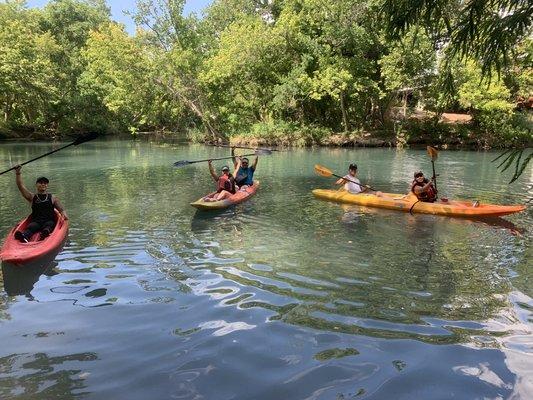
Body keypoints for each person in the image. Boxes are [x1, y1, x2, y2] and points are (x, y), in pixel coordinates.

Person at [13, 165, 68, 242]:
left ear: (47, 185)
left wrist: (63, 214)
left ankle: (45, 234)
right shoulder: (32, 197)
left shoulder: (52, 198)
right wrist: (18, 173)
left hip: (49, 221)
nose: (43, 184)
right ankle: (24, 236)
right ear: (36, 185)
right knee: (32, 226)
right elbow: (21, 187)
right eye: (41, 183)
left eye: (45, 183)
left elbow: (61, 209)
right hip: (36, 222)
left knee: (49, 225)